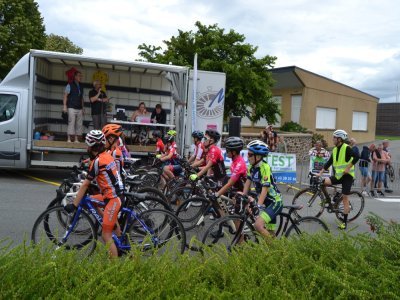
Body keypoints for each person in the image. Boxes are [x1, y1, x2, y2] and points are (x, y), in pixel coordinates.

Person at [64, 130, 124, 258]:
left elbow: (85, 184)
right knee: (90, 200)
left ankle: (116, 270)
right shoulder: (106, 155)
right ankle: (114, 230)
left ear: (92, 147)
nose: (86, 148)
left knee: (105, 235)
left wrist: (74, 205)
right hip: (113, 194)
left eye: (88, 145)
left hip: (113, 198)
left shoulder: (97, 161)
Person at [317, 129, 359, 230]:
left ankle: (344, 223)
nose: (333, 139)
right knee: (323, 182)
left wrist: (348, 167)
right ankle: (328, 200)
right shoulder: (335, 150)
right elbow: (329, 162)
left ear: (339, 139)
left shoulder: (347, 148)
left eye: (334, 137)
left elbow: (357, 157)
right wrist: (321, 172)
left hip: (348, 176)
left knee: (345, 198)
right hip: (339, 176)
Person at [243, 140, 283, 239]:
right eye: (247, 154)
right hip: (266, 203)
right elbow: (247, 184)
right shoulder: (251, 168)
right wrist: (242, 197)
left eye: (250, 154)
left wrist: (258, 206)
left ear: (259, 156)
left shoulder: (265, 167)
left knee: (258, 225)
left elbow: (265, 189)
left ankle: (281, 251)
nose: (248, 156)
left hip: (275, 202)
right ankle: (275, 252)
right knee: (270, 233)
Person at [63, 71, 84, 143]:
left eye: (81, 76)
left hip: (79, 107)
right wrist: (65, 106)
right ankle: (68, 138)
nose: (80, 77)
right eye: (79, 76)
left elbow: (81, 98)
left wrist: (83, 108)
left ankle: (76, 139)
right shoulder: (70, 85)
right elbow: (65, 95)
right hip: (71, 106)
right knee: (71, 122)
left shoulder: (81, 86)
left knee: (79, 124)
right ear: (75, 77)